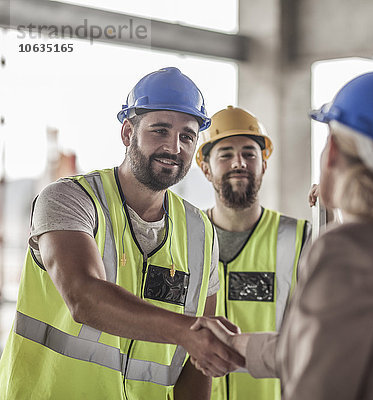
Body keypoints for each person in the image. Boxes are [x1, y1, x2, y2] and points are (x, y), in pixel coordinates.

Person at [192, 70, 373, 399]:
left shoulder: (346, 249)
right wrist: (237, 344)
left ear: (335, 151)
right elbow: (326, 347)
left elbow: (317, 383)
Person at [0, 67, 244, 400]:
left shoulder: (200, 231)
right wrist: (187, 332)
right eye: (160, 130)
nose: (174, 147)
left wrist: (198, 339)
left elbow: (196, 361)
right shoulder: (70, 199)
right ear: (128, 133)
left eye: (187, 136)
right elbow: (83, 297)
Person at [195, 105, 310, 400]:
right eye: (225, 154)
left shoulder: (300, 238)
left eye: (249, 153)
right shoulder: (185, 235)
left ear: (264, 164)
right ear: (206, 168)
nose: (239, 163)